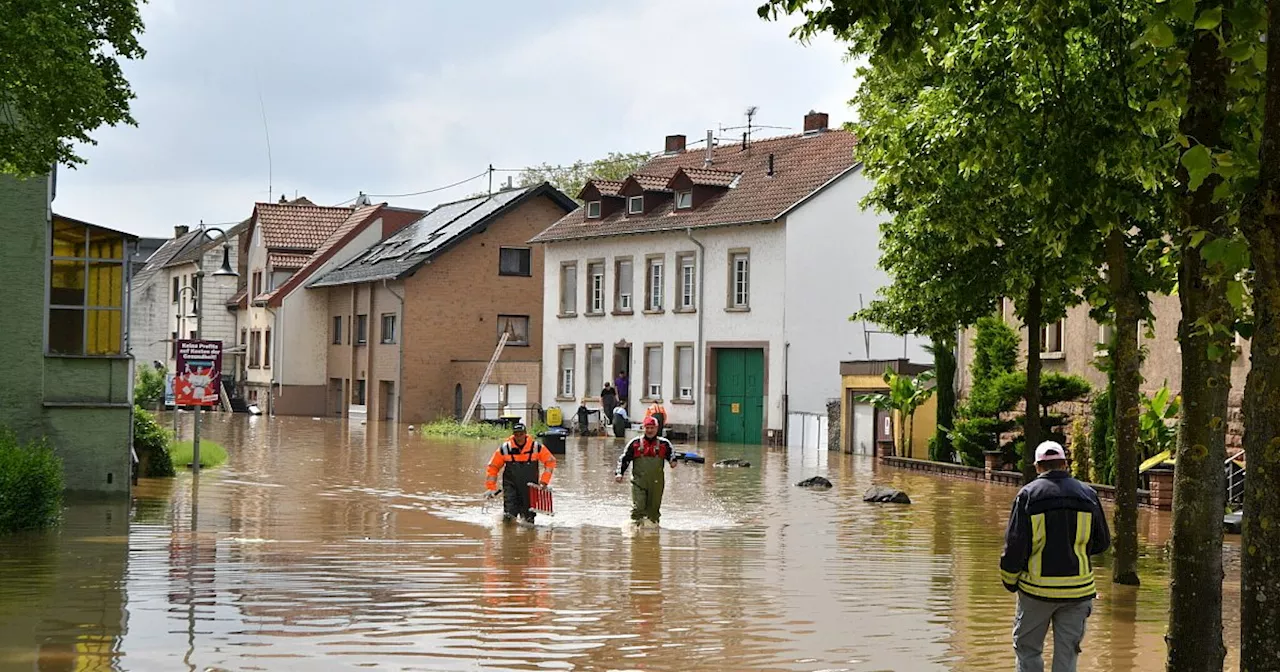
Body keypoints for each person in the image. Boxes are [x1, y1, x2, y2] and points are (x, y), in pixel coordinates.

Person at [1000, 440, 1111, 672]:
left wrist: (1010, 582)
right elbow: (1102, 543)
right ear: (1066, 464)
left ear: (1038, 466)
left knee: (1028, 649)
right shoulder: (1089, 494)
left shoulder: (1027, 495)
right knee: (1068, 654)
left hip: (1036, 592)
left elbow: (1015, 547)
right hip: (1078, 592)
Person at [485, 423, 556, 524]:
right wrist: (491, 488)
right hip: (511, 485)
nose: (519, 437)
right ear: (513, 435)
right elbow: (493, 467)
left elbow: (550, 461)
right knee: (509, 515)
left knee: (529, 518)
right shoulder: (505, 448)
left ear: (525, 434)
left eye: (521, 434)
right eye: (516, 434)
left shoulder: (536, 447)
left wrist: (544, 481)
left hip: (530, 487)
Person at [614, 416, 676, 526]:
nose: (650, 430)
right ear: (643, 428)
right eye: (647, 428)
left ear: (657, 428)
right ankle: (634, 532)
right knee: (638, 507)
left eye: (652, 428)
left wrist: (672, 461)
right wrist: (619, 473)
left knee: (653, 512)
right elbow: (624, 459)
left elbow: (672, 455)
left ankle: (652, 534)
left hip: (656, 483)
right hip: (638, 482)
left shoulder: (664, 444)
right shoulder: (635, 443)